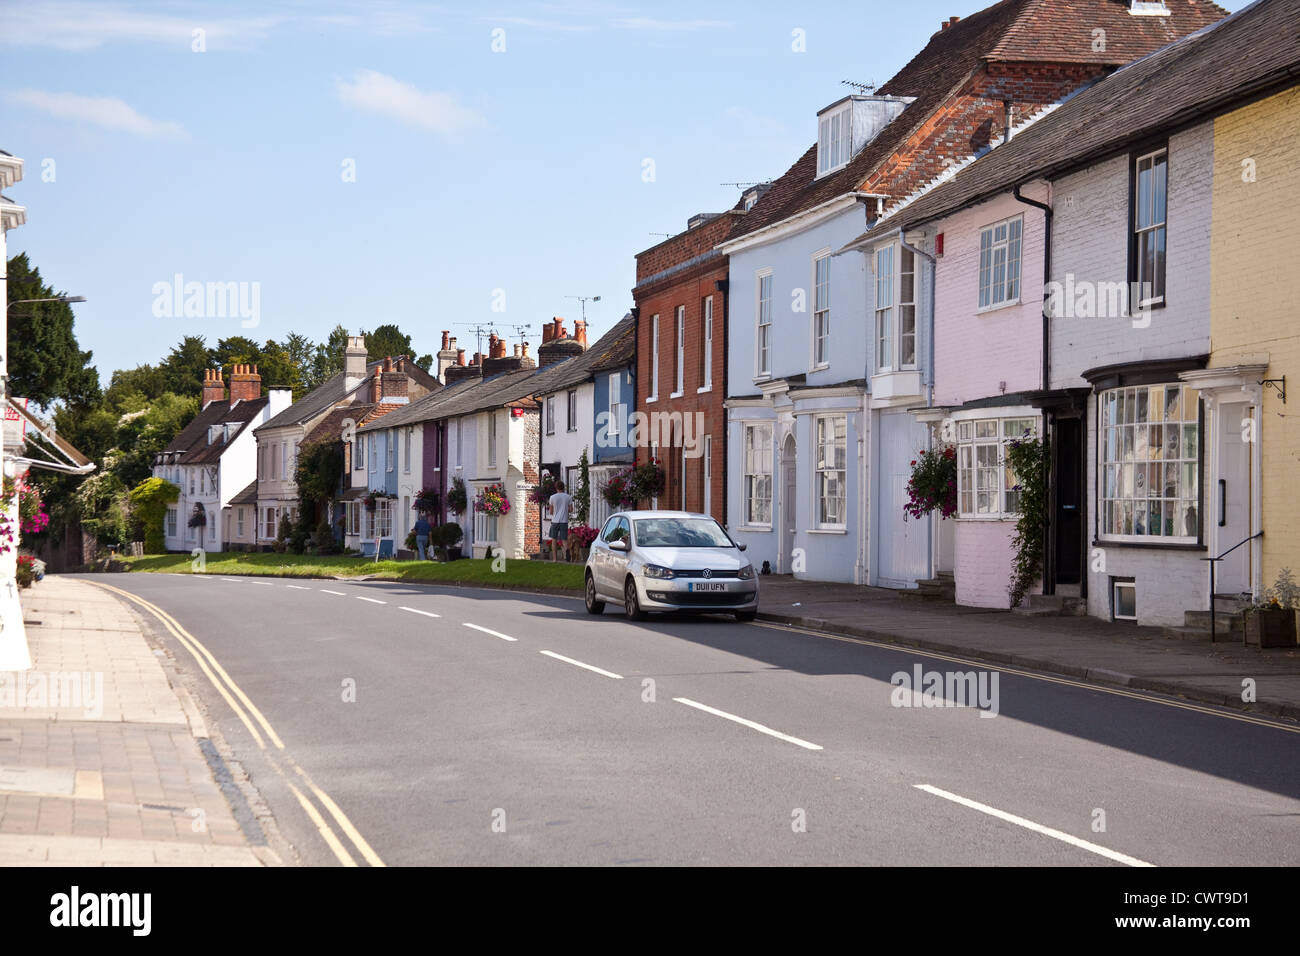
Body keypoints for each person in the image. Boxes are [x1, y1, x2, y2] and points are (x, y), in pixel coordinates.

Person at [547, 480, 573, 562]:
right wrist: (565, 509)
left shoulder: (552, 497)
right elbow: (571, 509)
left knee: (554, 540)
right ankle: (567, 557)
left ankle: (555, 559)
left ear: (556, 488)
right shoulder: (568, 497)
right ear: (563, 487)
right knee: (564, 540)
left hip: (555, 521)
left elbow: (551, 512)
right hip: (564, 521)